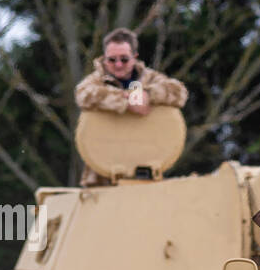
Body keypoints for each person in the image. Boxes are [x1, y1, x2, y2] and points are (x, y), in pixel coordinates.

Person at [74, 27, 189, 186]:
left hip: (145, 170)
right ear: (104, 58)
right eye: (112, 60)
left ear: (134, 57)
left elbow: (179, 92)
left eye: (124, 59)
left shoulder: (149, 78)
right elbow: (83, 95)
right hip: (101, 174)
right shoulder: (96, 80)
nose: (118, 65)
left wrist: (148, 95)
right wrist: (125, 101)